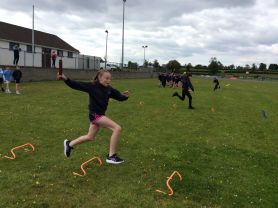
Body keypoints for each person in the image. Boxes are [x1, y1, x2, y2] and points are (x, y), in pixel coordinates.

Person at [58, 70, 129, 164]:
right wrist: (65, 79)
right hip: (95, 115)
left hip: (100, 115)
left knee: (90, 137)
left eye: (110, 79)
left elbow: (119, 96)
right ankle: (111, 156)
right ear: (100, 77)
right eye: (106, 78)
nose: (108, 80)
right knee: (117, 128)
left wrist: (125, 96)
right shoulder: (92, 86)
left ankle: (69, 144)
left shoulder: (109, 89)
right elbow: (76, 85)